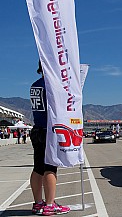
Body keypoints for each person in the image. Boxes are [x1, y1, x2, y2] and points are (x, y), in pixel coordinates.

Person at [30, 61, 70, 215]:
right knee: (50, 168)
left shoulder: (35, 85)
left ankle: (38, 203)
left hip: (37, 128)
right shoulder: (52, 86)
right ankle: (50, 204)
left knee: (38, 168)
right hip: (49, 131)